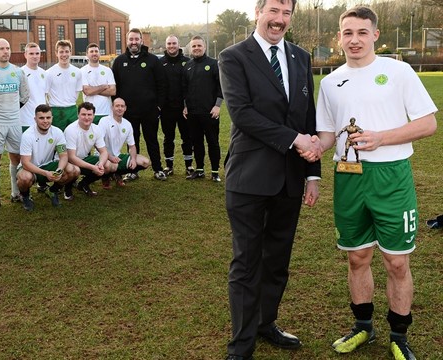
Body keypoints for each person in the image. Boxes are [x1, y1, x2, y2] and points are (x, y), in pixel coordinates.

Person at [312, 6, 437, 359]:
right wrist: (311, 148)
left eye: (361, 32)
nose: (354, 40)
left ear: (375, 35)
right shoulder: (331, 81)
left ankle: (399, 336)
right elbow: (326, 134)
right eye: (347, 33)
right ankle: (363, 328)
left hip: (391, 177)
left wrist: (382, 138)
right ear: (339, 37)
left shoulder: (398, 71)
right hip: (348, 178)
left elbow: (428, 124)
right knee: (357, 258)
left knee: (397, 262)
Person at [218, 0, 322, 358]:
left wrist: (312, 175)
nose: (279, 20)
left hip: (291, 180)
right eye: (273, 11)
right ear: (258, 12)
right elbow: (243, 114)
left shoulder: (300, 57)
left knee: (277, 261)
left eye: (286, 13)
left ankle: (266, 323)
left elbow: (307, 115)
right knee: (246, 263)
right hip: (249, 179)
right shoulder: (233, 56)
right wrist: (294, 139)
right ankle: (241, 345)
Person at [112, 28, 167, 181]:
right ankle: (133, 170)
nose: (134, 42)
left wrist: (159, 106)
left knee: (152, 140)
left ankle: (158, 169)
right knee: (132, 141)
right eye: (131, 39)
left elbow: (162, 84)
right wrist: (117, 108)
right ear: (127, 41)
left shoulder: (152, 60)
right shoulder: (119, 61)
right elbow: (114, 86)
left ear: (142, 41)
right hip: (128, 112)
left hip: (149, 110)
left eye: (137, 39)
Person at [0, 38, 30, 210]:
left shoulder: (18, 72)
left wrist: (12, 110)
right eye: (2, 48)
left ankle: (15, 192)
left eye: (8, 48)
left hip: (14, 121)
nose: (6, 51)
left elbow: (25, 95)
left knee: (16, 157)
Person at [18, 104, 79, 211]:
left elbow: (64, 155)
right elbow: (25, 163)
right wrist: (45, 173)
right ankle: (25, 196)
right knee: (24, 178)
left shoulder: (57, 132)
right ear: (35, 119)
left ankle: (53, 190)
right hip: (30, 168)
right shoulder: (28, 135)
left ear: (52, 118)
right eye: (41, 118)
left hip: (49, 165)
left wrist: (59, 170)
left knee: (74, 170)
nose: (45, 121)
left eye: (48, 117)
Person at [182, 35, 223, 182]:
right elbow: (185, 89)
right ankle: (199, 170)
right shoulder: (188, 66)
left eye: (199, 46)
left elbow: (221, 87)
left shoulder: (213, 64)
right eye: (194, 46)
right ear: (190, 48)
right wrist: (185, 106)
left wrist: (217, 106)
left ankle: (215, 172)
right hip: (193, 113)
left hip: (210, 112)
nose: (196, 48)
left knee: (213, 142)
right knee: (197, 142)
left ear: (204, 47)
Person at [160, 35, 193, 177]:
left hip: (184, 109)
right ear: (165, 45)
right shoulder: (160, 63)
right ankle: (169, 166)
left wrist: (188, 104)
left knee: (187, 137)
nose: (172, 46)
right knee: (168, 138)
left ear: (179, 45)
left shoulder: (188, 62)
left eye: (174, 43)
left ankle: (189, 165)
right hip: (167, 109)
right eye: (169, 43)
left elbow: (191, 86)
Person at [99, 97, 150, 188]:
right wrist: (109, 157)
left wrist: (133, 159)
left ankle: (117, 174)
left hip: (117, 156)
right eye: (117, 106)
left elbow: (132, 146)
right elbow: (98, 144)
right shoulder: (104, 121)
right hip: (103, 156)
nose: (120, 108)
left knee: (145, 162)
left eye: (122, 106)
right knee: (108, 165)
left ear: (125, 108)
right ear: (112, 108)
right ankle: (106, 177)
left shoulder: (127, 124)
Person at [64, 102, 111, 197]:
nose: (86, 117)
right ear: (78, 115)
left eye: (89, 114)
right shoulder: (71, 130)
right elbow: (71, 157)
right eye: (83, 114)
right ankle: (67, 188)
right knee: (75, 170)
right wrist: (93, 167)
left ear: (94, 116)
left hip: (83, 159)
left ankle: (83, 184)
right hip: (67, 161)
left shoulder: (96, 129)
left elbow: (104, 151)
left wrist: (100, 164)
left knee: (107, 165)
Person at [45, 40, 82, 131]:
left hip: (72, 110)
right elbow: (45, 94)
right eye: (61, 52)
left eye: (66, 51)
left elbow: (77, 92)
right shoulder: (49, 73)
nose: (64, 55)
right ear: (56, 53)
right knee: (58, 140)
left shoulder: (77, 72)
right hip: (56, 111)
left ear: (70, 52)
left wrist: (69, 103)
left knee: (73, 139)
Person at [80, 43, 116, 124]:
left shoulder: (107, 70)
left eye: (96, 51)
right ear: (87, 54)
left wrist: (93, 89)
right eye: (91, 51)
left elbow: (112, 91)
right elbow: (87, 91)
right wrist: (103, 86)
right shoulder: (82, 71)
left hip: (106, 113)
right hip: (89, 113)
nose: (94, 53)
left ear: (99, 53)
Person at [20, 43, 46, 134]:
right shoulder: (20, 73)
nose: (35, 56)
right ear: (25, 55)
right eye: (31, 54)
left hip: (42, 121)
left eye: (37, 53)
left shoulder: (44, 73)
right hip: (25, 121)